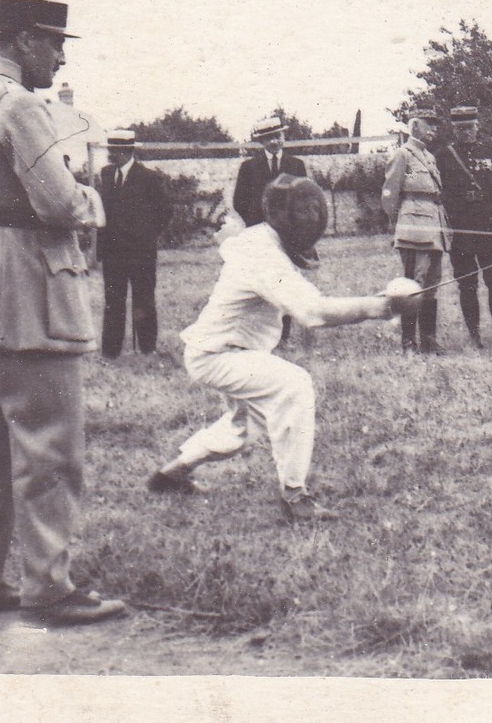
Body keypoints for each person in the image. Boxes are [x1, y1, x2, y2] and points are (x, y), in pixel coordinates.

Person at [0, 0, 126, 626]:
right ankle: (48, 588)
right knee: (49, 448)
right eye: (55, 43)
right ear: (24, 40)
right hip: (31, 288)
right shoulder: (23, 107)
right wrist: (92, 197)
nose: (59, 56)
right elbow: (60, 206)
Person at [146, 176, 416, 519]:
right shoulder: (262, 254)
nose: (308, 219)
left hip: (234, 353)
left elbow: (231, 244)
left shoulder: (260, 238)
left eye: (311, 211)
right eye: (301, 212)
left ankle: (171, 474)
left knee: (244, 426)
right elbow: (312, 312)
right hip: (217, 355)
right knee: (294, 384)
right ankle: (295, 497)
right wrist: (380, 306)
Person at [435, 105, 492, 347]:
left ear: (477, 127)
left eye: (470, 127)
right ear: (454, 129)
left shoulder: (489, 152)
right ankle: (474, 335)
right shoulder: (444, 156)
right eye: (461, 129)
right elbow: (441, 195)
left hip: (490, 229)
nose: (466, 133)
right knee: (467, 284)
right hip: (461, 232)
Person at [233, 114, 308, 344]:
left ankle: (283, 336)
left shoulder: (296, 165)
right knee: (262, 284)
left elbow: (305, 198)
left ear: (283, 136)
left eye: (277, 136)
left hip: (288, 235)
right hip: (259, 235)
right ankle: (262, 334)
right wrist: (257, 224)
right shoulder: (249, 167)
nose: (274, 142)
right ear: (261, 142)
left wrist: (294, 225)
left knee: (285, 282)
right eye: (268, 138)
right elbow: (239, 201)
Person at [96, 128, 171, 357]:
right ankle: (111, 351)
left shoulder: (148, 177)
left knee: (143, 300)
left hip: (141, 253)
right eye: (111, 150)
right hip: (112, 252)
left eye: (117, 150)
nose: (112, 155)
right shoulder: (107, 174)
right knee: (113, 301)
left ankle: (147, 348)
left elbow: (165, 211)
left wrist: (147, 235)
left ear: (129, 151)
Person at [380, 112, 448, 353]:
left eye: (436, 126)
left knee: (432, 283)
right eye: (429, 125)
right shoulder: (402, 155)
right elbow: (390, 196)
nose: (433, 130)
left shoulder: (429, 157)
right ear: (415, 126)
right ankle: (409, 341)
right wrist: (403, 224)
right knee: (413, 284)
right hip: (414, 228)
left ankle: (429, 339)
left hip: (434, 225)